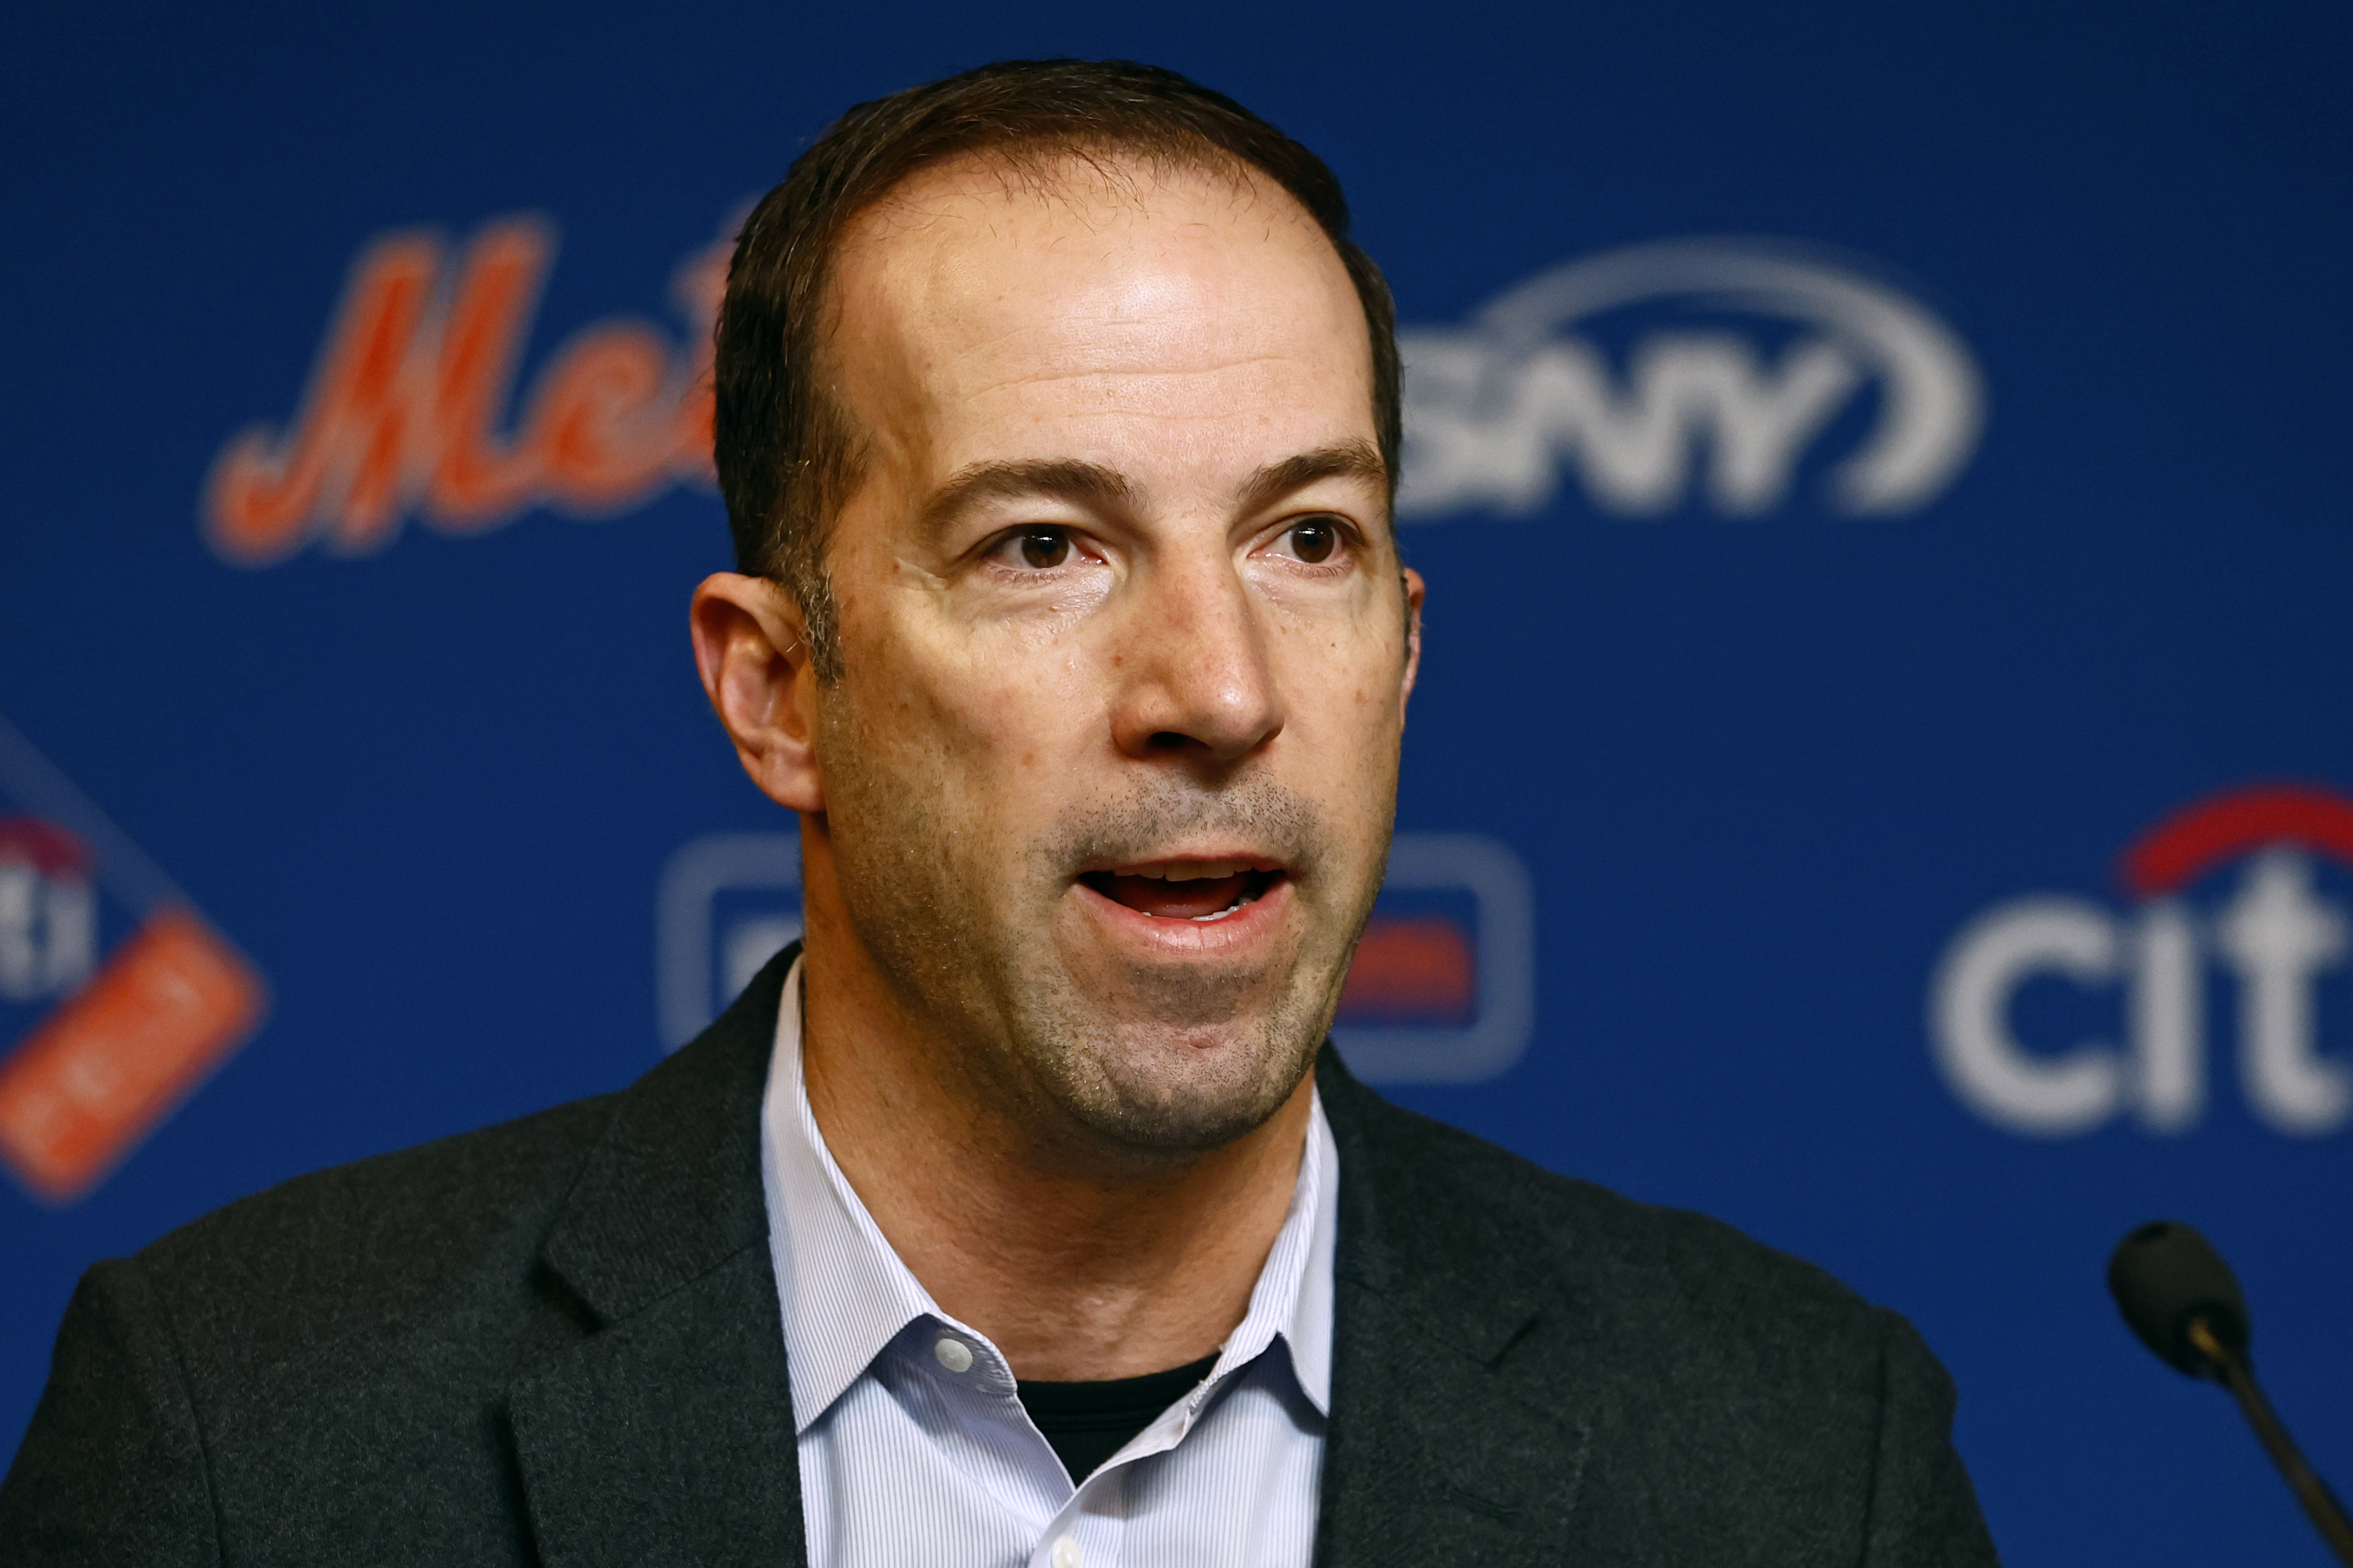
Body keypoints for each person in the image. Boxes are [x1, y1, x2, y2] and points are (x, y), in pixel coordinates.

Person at [0, 59, 1999, 1567]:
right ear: (778, 689)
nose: (1218, 690)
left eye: (1308, 537)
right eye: (1046, 546)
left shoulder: (1800, 1466)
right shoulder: (244, 1443)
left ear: (1403, 640)